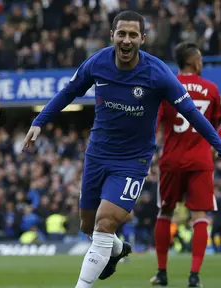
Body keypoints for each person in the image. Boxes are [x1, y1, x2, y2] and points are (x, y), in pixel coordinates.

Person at [21, 11, 221, 288]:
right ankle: (116, 250)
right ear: (112, 36)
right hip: (97, 155)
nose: (126, 40)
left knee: (104, 224)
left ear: (143, 39)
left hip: (132, 161)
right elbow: (68, 92)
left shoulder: (158, 73)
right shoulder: (98, 63)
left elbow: (190, 112)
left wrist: (218, 144)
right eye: (122, 34)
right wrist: (40, 121)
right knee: (87, 227)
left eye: (133, 35)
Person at [151, 42, 221, 287]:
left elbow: (155, 122)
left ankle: (161, 273)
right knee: (200, 216)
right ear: (193, 61)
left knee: (166, 211)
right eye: (200, 58)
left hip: (172, 159)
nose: (202, 62)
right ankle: (194, 275)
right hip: (201, 160)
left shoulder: (167, 87)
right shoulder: (211, 89)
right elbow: (216, 124)